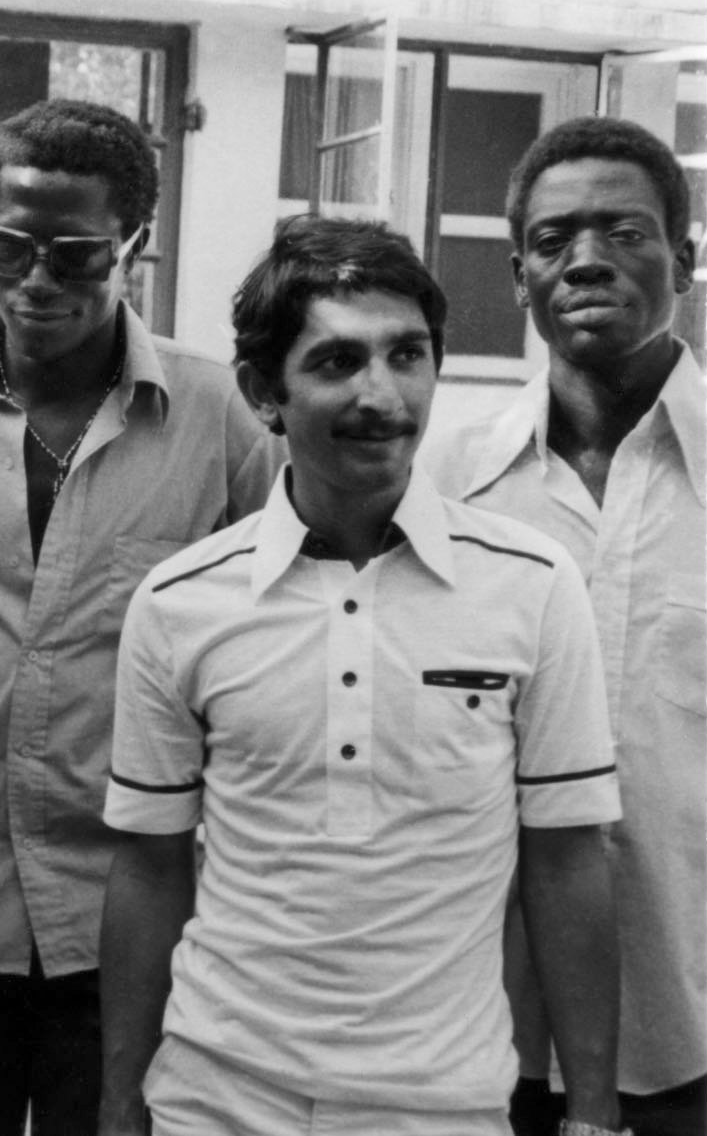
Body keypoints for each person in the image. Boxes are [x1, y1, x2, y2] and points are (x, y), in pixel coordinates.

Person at [99, 214, 625, 1136]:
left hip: (444, 1107)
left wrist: (590, 1112)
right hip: (214, 1099)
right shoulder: (180, 601)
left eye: (406, 355)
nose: (380, 395)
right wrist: (117, 1104)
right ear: (262, 391)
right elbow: (148, 868)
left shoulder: (533, 585)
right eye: (337, 362)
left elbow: (567, 859)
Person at [0, 97, 278, 1135]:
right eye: (6, 246)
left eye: (75, 255)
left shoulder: (218, 418)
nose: (35, 280)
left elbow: (286, 631)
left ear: (134, 245)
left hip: (139, 922)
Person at [425, 116, 704, 1136]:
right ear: (518, 276)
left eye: (623, 232)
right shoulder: (443, 488)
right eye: (552, 241)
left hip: (690, 1022)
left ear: (684, 258)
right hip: (472, 1029)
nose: (584, 260)